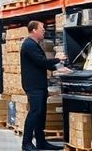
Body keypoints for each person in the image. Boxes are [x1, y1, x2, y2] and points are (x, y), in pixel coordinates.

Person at [20, 21, 68, 151]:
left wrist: (58, 68)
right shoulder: (29, 45)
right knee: (35, 113)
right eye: (42, 29)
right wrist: (58, 60)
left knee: (41, 114)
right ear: (34, 30)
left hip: (38, 84)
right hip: (33, 85)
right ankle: (26, 144)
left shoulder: (34, 44)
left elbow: (41, 64)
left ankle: (41, 142)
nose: (44, 31)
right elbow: (41, 61)